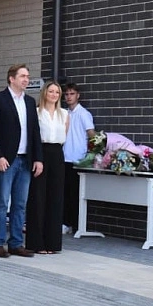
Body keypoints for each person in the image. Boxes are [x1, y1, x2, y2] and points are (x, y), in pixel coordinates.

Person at [0, 64, 43, 258]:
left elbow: (35, 131)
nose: (26, 79)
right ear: (11, 78)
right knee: (1, 202)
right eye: (22, 76)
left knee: (20, 204)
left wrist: (38, 158)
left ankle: (16, 243)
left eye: (27, 76)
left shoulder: (29, 101)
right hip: (6, 160)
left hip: (25, 160)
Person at [26, 80, 69, 254]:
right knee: (38, 197)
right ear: (44, 93)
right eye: (51, 91)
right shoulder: (36, 112)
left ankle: (52, 243)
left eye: (57, 92)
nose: (54, 95)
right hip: (41, 152)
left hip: (57, 154)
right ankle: (36, 243)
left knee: (55, 198)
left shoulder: (64, 114)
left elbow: (64, 136)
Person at [62, 82, 95, 235]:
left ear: (78, 95)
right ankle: (65, 223)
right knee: (64, 193)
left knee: (74, 194)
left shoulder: (84, 114)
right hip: (64, 158)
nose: (69, 97)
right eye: (67, 94)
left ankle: (73, 224)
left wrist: (91, 155)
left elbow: (92, 135)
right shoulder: (64, 113)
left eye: (72, 94)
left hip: (78, 159)